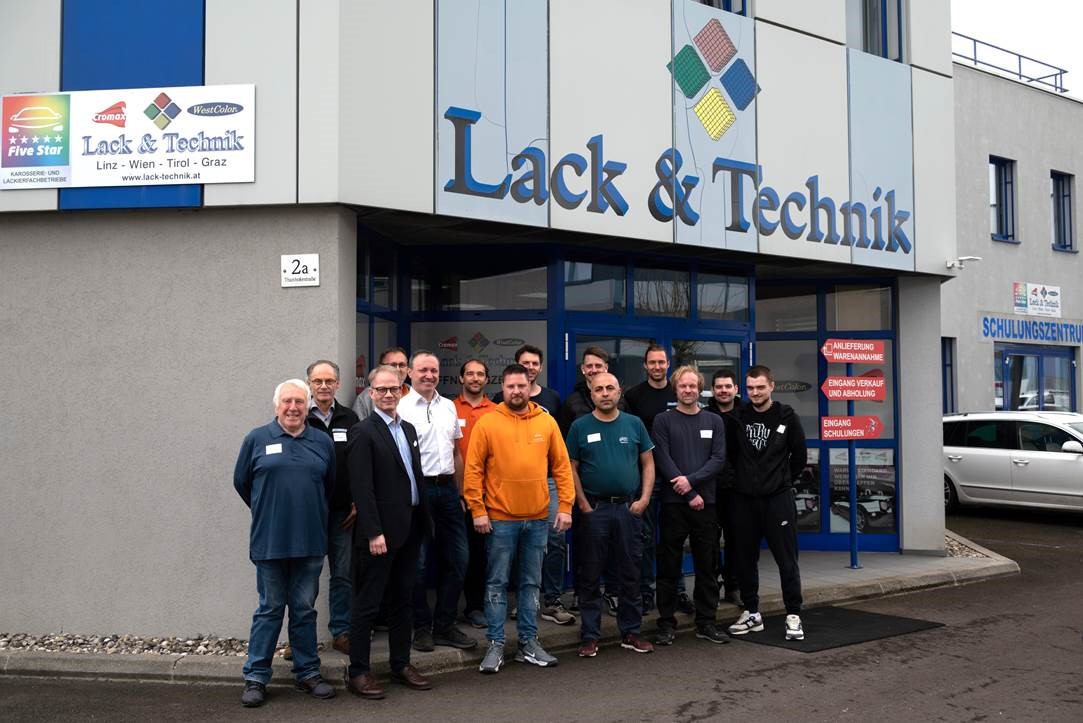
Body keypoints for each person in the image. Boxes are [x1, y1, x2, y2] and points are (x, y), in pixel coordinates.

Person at [463, 364, 575, 674]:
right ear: (503, 388)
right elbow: (473, 470)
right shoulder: (488, 422)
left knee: (530, 583)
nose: (516, 391)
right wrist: (478, 510)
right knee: (497, 583)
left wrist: (565, 506)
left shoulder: (547, 422)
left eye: (521, 386)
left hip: (538, 518)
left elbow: (562, 467)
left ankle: (528, 643)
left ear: (529, 387)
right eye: (510, 386)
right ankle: (495, 644)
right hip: (500, 520)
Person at [234, 379, 336, 708]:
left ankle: (308, 673)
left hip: (310, 542)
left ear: (308, 406)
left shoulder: (322, 442)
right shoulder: (256, 439)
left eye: (299, 402)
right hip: (269, 542)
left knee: (304, 610)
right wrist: (270, 509)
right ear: (276, 406)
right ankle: (256, 677)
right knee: (270, 610)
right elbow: (242, 483)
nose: (293, 407)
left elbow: (330, 487)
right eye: (287, 401)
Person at [344, 366, 433, 700]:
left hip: (409, 529)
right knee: (367, 605)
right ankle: (358, 672)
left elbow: (414, 476)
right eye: (381, 390)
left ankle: (400, 664)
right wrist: (373, 532)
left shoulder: (407, 428)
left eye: (393, 389)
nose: (387, 394)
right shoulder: (362, 432)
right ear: (371, 394)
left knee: (402, 601)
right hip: (379, 535)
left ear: (401, 391)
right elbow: (362, 487)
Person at [566, 372, 656, 658]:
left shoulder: (634, 423)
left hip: (628, 509)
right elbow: (571, 467)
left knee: (630, 573)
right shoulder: (580, 426)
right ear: (591, 394)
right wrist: (583, 504)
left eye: (610, 388)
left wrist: (644, 499)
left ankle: (631, 632)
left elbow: (648, 463)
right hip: (595, 510)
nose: (605, 393)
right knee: (590, 574)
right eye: (599, 389)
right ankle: (590, 636)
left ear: (619, 393)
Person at [397, 351, 476, 652]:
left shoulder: (448, 407)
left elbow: (456, 452)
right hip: (418, 493)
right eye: (423, 370)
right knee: (416, 564)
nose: (429, 375)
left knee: (458, 559)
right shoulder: (401, 408)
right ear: (410, 373)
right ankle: (421, 627)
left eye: (433, 370)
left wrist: (461, 492)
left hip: (448, 491)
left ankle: (445, 625)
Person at [726, 365, 808, 642]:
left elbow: (799, 456)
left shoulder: (787, 416)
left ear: (771, 386)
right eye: (750, 388)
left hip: (777, 500)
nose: (755, 392)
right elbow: (730, 457)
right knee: (745, 560)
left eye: (760, 387)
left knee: (787, 560)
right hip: (744, 501)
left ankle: (793, 615)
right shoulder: (737, 418)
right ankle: (752, 613)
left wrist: (781, 482)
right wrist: (741, 483)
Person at [651, 366, 728, 646]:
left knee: (707, 565)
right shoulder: (663, 420)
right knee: (668, 565)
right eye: (683, 386)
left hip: (706, 504)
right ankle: (666, 623)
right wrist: (688, 492)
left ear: (700, 389)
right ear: (676, 389)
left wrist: (691, 483)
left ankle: (706, 622)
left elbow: (718, 459)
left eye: (693, 386)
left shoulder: (714, 421)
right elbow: (663, 458)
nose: (688, 390)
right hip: (674, 504)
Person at [495, 344, 571, 625]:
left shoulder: (552, 398)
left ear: (540, 367)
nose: (530, 367)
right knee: (517, 542)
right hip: (511, 486)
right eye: (525, 363)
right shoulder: (500, 401)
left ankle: (552, 600)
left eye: (534, 363)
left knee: (555, 539)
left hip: (547, 482)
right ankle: (522, 601)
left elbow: (560, 450)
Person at [622, 344, 693, 616]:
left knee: (675, 537)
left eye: (661, 362)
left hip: (676, 476)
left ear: (668, 364)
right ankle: (646, 592)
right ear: (645, 365)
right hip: (647, 478)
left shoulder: (678, 393)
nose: (657, 367)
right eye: (652, 362)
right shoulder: (634, 396)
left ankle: (679, 591)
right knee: (646, 537)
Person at [303, 360, 360, 656]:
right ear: (309, 384)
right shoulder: (299, 416)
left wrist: (357, 501)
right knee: (307, 576)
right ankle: (303, 636)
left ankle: (341, 632)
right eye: (318, 381)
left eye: (329, 381)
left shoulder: (349, 418)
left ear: (338, 384)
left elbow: (360, 464)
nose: (323, 386)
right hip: (309, 515)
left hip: (342, 514)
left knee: (342, 575)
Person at [454, 358, 498, 629]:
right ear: (461, 378)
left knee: (482, 555)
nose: (474, 378)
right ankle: (447, 611)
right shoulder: (448, 408)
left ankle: (475, 606)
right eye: (469, 373)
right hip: (456, 496)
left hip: (488, 496)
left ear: (487, 379)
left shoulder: (496, 411)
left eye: (480, 374)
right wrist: (459, 492)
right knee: (456, 555)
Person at [705, 368, 743, 605]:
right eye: (719, 387)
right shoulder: (704, 415)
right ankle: (712, 586)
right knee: (709, 540)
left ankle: (733, 586)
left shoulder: (746, 415)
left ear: (735, 389)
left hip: (738, 489)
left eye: (728, 386)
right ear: (712, 390)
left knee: (736, 540)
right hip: (710, 488)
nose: (723, 390)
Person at [353, 346, 410, 418]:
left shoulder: (416, 395)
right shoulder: (365, 399)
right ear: (380, 367)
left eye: (402, 365)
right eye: (393, 365)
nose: (398, 369)